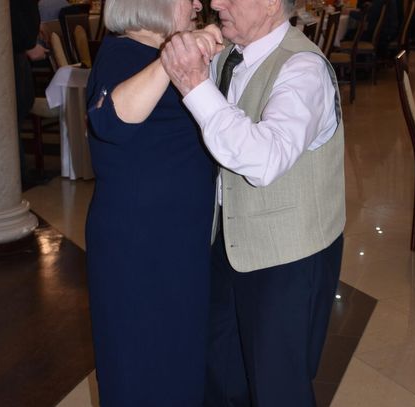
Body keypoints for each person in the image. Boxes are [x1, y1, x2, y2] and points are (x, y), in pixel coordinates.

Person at [161, 0, 346, 404]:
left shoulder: (303, 69)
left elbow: (266, 161)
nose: (215, 3)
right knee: (221, 377)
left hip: (288, 257)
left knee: (278, 388)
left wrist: (196, 85)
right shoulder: (228, 55)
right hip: (229, 242)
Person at [84, 0, 222, 405]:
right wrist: (172, 58)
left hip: (176, 243)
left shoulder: (153, 52)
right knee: (139, 364)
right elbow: (109, 120)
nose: (198, 4)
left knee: (177, 359)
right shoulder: (123, 53)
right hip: (140, 249)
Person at [9, 0, 49, 187]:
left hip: (16, 50)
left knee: (15, 113)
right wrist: (29, 44)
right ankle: (19, 175)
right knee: (12, 115)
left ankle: (20, 173)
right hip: (14, 51)